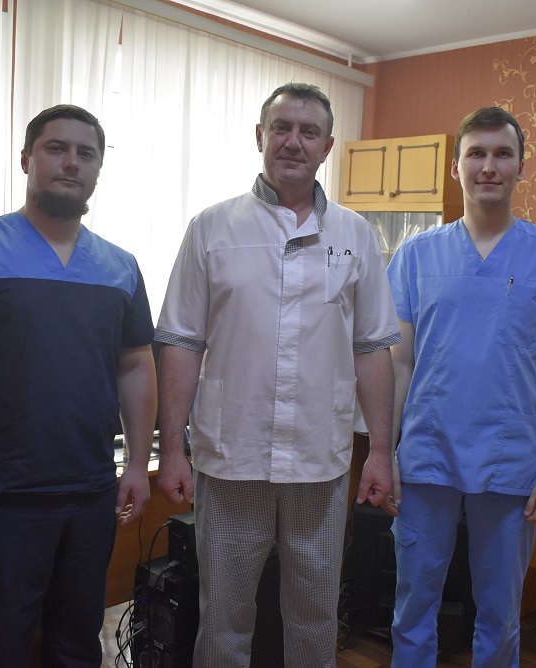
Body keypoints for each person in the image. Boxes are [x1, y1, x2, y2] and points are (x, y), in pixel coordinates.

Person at [154, 82, 400, 667]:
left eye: (309, 131)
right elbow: (182, 342)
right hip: (231, 457)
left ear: (327, 146)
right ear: (260, 135)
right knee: (223, 616)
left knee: (315, 617)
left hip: (320, 460)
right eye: (282, 127)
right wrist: (171, 449)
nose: (294, 141)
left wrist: (381, 452)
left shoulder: (356, 235)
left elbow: (372, 349)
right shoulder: (212, 227)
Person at [0, 104, 158, 667]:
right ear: (26, 159)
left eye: (85, 153)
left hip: (90, 494)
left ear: (98, 169)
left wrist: (138, 466)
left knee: (77, 645)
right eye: (55, 148)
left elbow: (136, 366)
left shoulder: (120, 266)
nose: (71, 162)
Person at [387, 106, 536, 667]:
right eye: (476, 154)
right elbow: (400, 364)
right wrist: (384, 454)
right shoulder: (415, 256)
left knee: (500, 614)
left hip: (510, 465)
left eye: (503, 154)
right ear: (456, 167)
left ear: (521, 166)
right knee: (413, 606)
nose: (489, 166)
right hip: (426, 458)